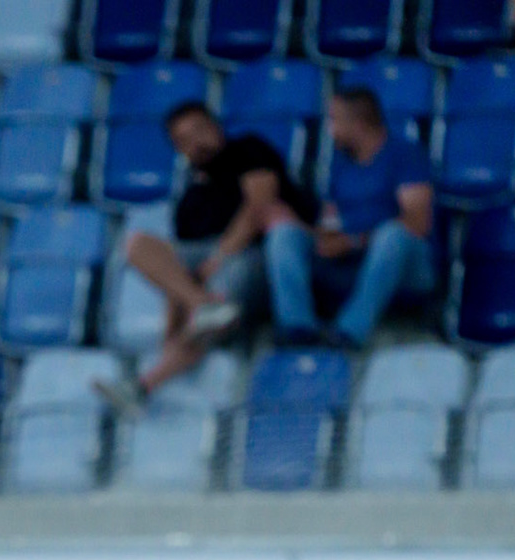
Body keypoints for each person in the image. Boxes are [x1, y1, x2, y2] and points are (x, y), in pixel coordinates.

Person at [95, 101, 315, 415]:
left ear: (215, 125)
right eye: (183, 140)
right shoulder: (191, 196)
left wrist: (220, 256)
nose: (195, 143)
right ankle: (153, 372)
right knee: (137, 244)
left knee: (218, 297)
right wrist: (171, 329)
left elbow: (259, 208)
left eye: (199, 130)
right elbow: (179, 271)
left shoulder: (249, 150)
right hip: (209, 282)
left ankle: (146, 380)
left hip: (257, 256)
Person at [264, 87, 436, 350]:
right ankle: (297, 328)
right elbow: (330, 218)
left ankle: (350, 333)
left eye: (334, 119)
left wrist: (354, 242)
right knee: (284, 233)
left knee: (393, 235)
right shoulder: (341, 161)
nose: (329, 128)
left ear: (357, 123)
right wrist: (322, 237)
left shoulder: (405, 154)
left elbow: (417, 223)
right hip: (350, 261)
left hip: (404, 265)